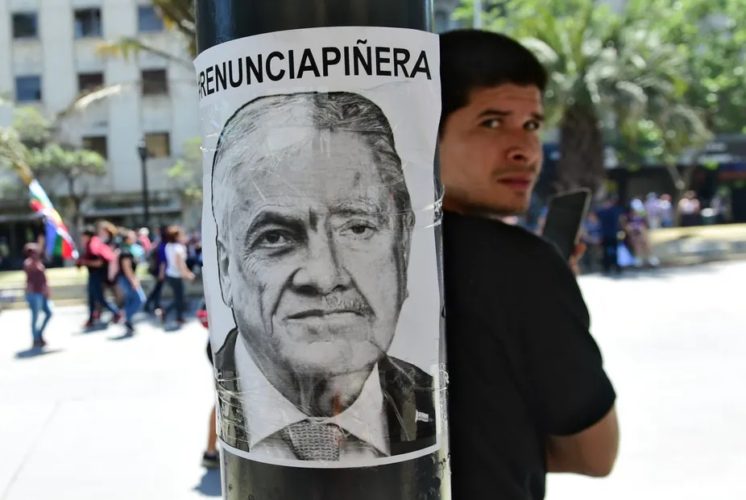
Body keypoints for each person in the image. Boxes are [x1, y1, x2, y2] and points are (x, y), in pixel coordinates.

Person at [439, 30, 618, 499]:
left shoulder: (366, 245)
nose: (525, 149)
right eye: (492, 123)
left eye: (533, 124)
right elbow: (594, 455)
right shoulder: (523, 266)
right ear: (426, 133)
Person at [209, 92, 435, 462]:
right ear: (225, 268)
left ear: (404, 246)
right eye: (276, 237)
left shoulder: (440, 404)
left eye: (358, 228)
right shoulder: (228, 409)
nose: (324, 275)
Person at [78, 227, 121, 328]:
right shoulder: (92, 244)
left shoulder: (93, 246)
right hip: (94, 275)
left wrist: (85, 262)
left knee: (99, 298)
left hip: (97, 275)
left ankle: (116, 312)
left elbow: (99, 262)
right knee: (92, 298)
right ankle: (91, 319)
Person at [162, 225, 194, 326]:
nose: (183, 236)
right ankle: (175, 315)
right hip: (176, 275)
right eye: (181, 235)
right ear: (176, 237)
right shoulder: (179, 248)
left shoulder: (168, 246)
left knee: (178, 297)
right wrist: (188, 274)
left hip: (170, 274)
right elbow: (180, 264)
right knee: (179, 298)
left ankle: (173, 314)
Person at [116, 230, 146, 335]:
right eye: (132, 236)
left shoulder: (128, 250)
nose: (134, 238)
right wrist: (134, 281)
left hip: (127, 279)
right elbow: (127, 268)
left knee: (130, 300)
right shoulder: (125, 251)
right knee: (139, 299)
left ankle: (128, 322)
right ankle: (126, 318)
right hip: (126, 279)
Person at [23, 243, 52, 348]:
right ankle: (36, 339)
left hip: (42, 293)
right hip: (34, 294)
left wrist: (47, 289)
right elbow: (31, 268)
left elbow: (44, 278)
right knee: (35, 317)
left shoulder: (39, 262)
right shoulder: (29, 263)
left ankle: (39, 334)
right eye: (33, 252)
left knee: (49, 313)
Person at [144, 226, 168, 315]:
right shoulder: (162, 245)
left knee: (157, 289)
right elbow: (162, 261)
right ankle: (153, 305)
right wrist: (161, 273)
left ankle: (153, 305)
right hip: (159, 271)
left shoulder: (159, 243)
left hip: (157, 270)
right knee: (157, 289)